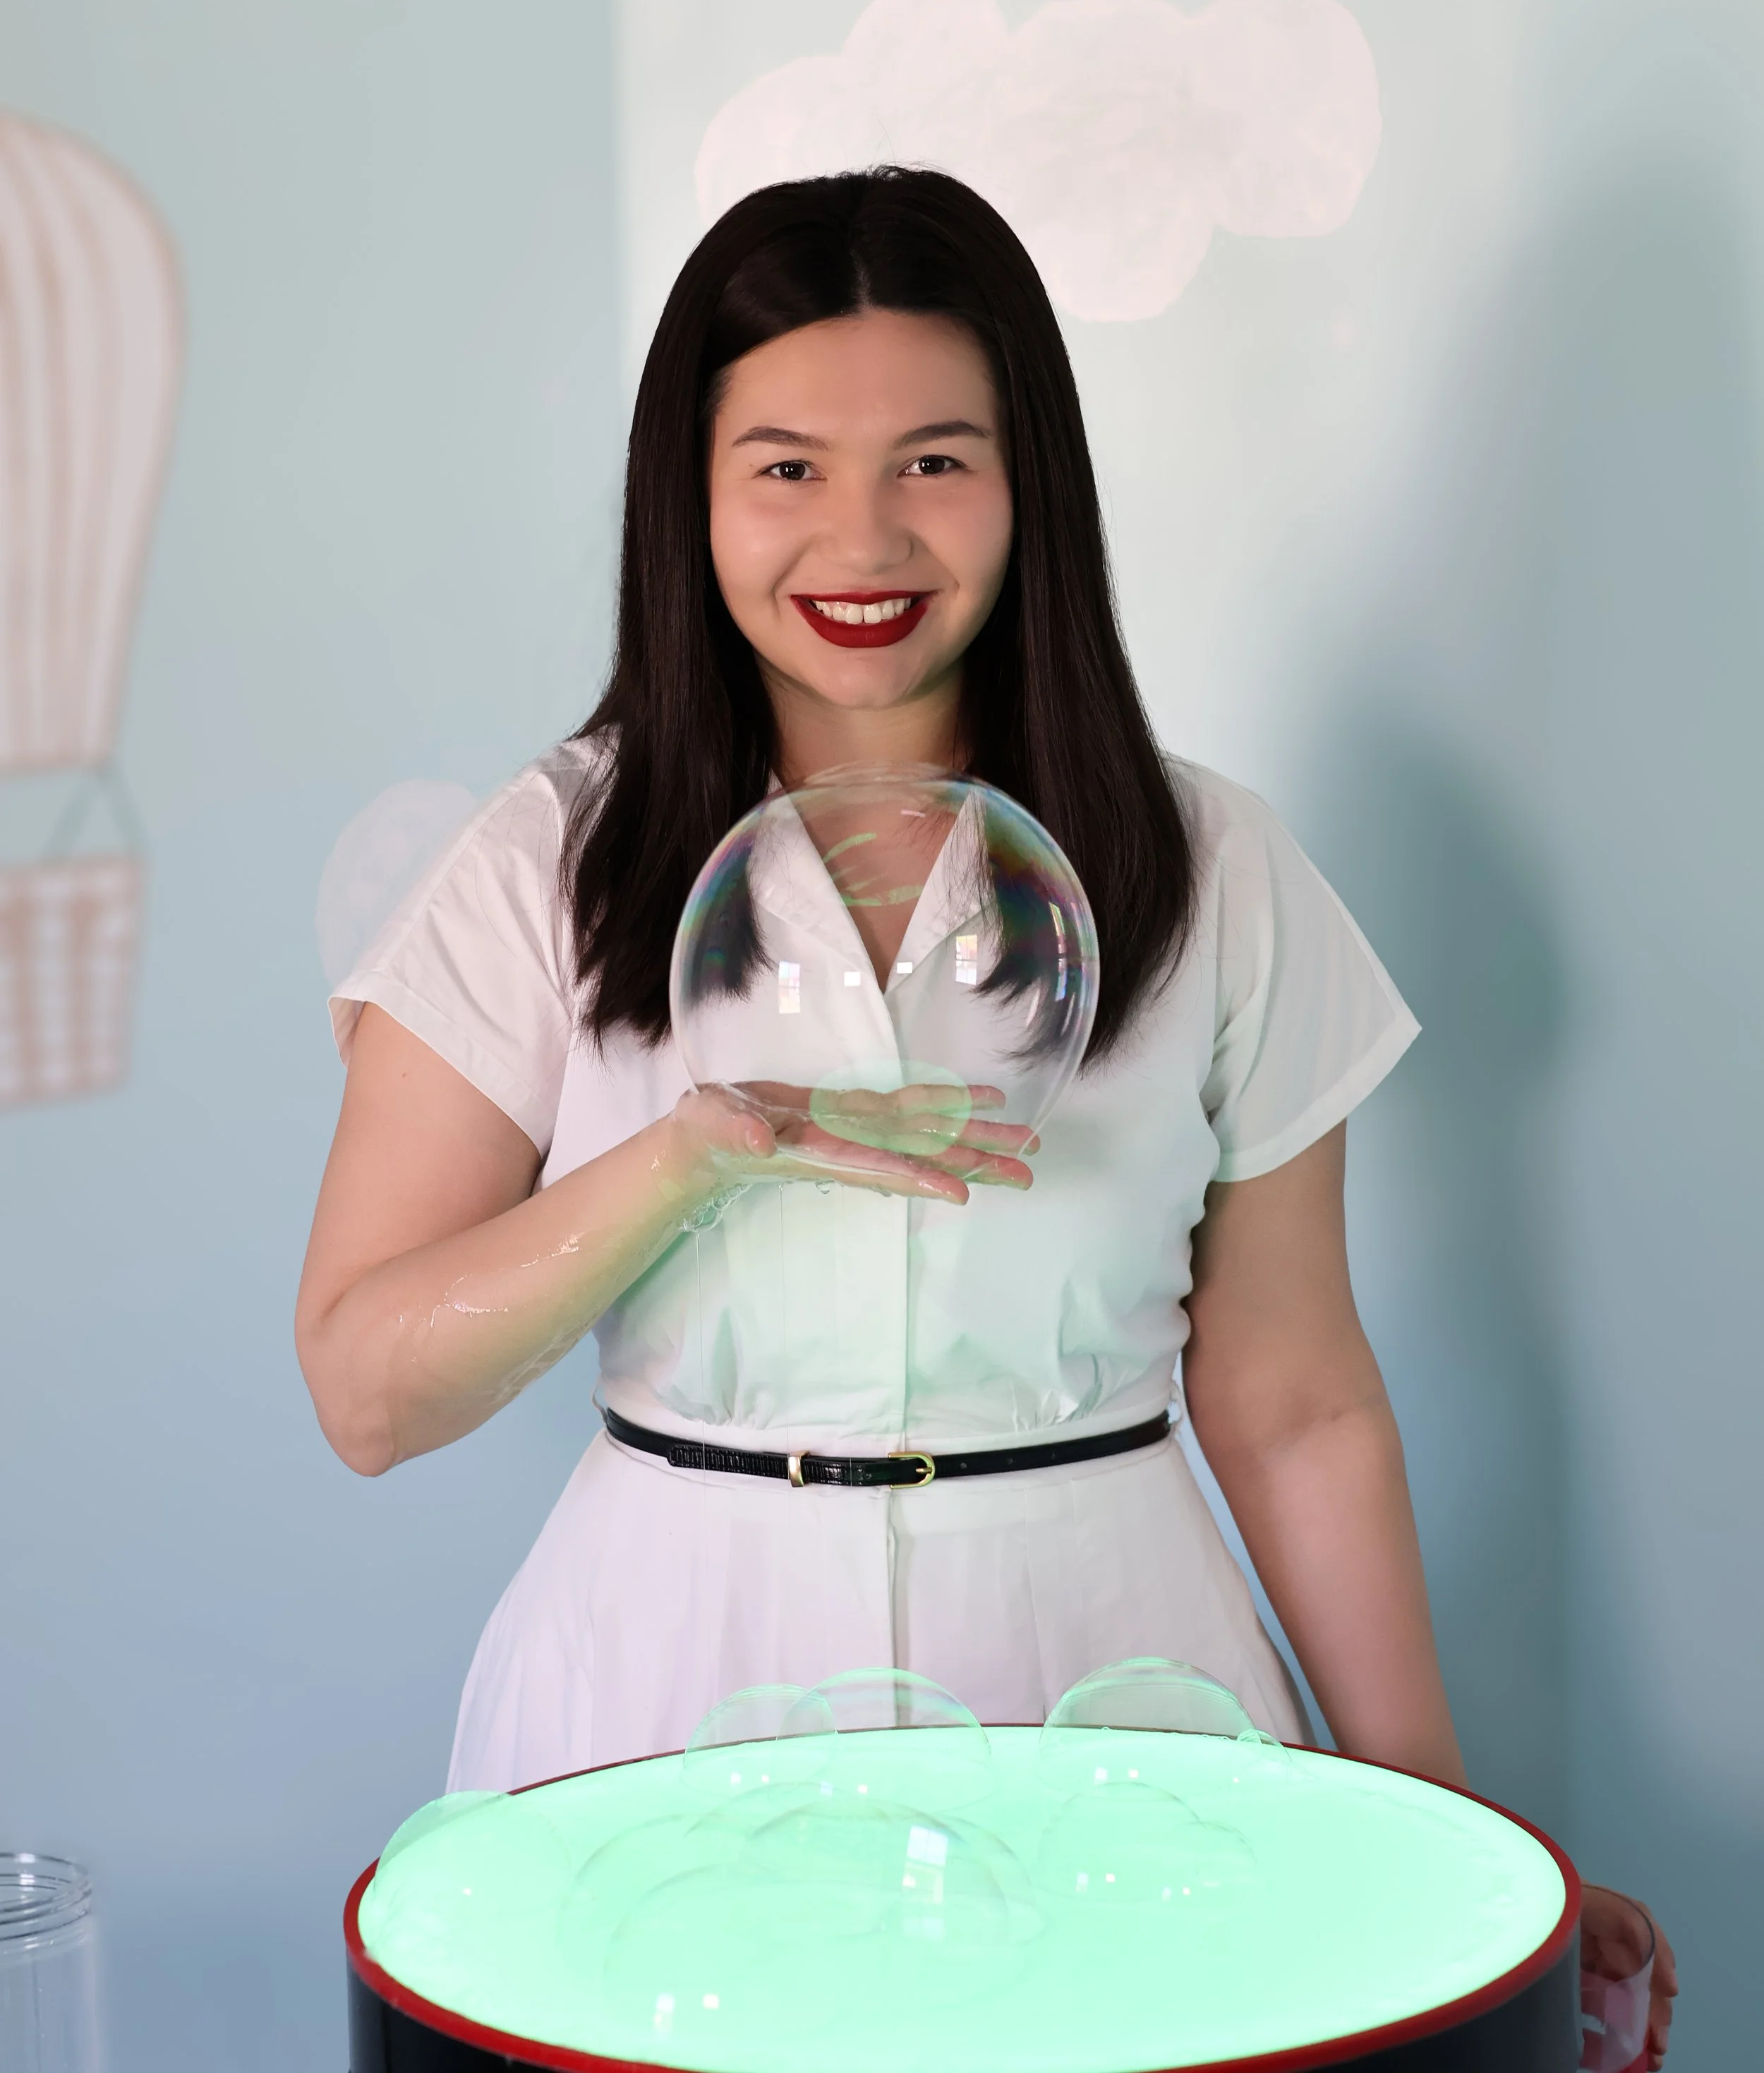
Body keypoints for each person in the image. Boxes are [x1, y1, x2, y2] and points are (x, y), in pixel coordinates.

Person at [298, 167, 1672, 2062]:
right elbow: (369, 1385)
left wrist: (1453, 1848)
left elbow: (1291, 1396)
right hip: (662, 1689)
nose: (859, 533)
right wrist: (692, 1151)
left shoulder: (1210, 866)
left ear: (1030, 483)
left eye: (931, 460)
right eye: (782, 465)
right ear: (682, 499)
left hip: (1111, 1692)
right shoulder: (546, 862)